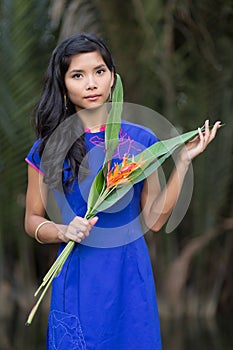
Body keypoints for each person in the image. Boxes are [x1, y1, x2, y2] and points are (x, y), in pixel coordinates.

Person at [24, 33, 221, 350]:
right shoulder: (49, 146)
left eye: (99, 71)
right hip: (78, 278)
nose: (91, 83)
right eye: (78, 75)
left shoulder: (141, 140)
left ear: (112, 77)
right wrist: (62, 230)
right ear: (63, 85)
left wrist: (182, 163)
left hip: (130, 278)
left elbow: (155, 220)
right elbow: (32, 219)